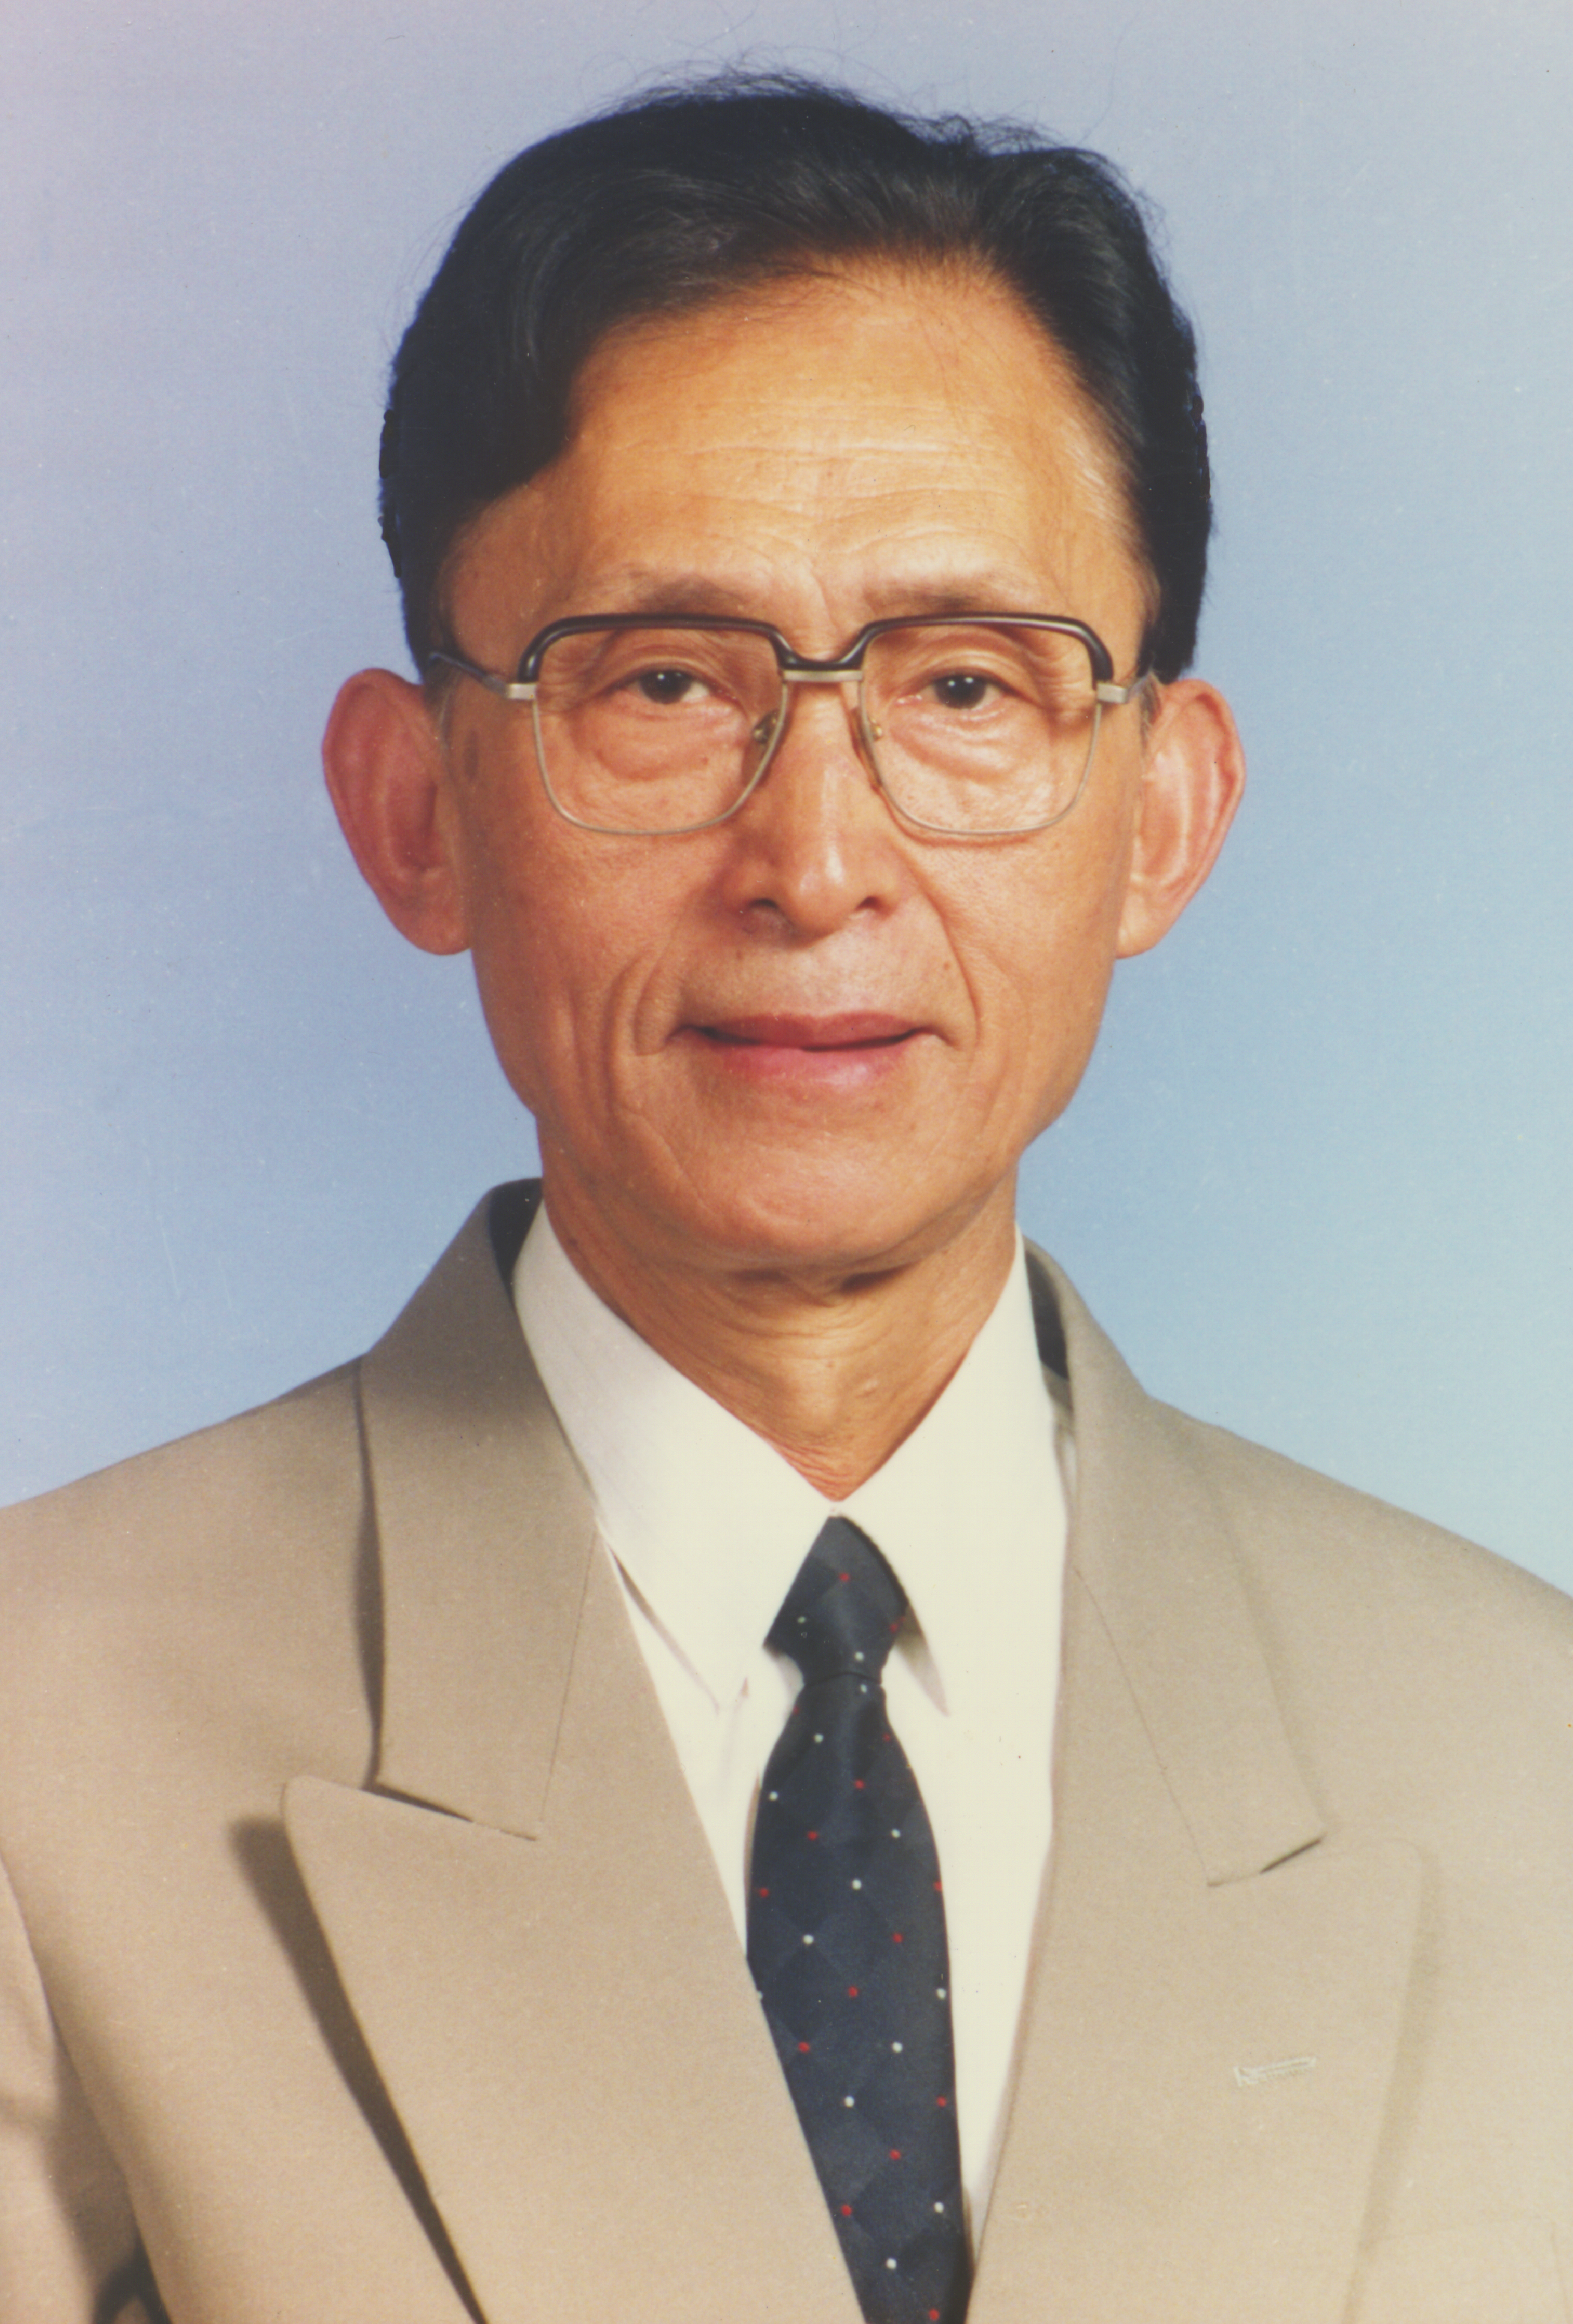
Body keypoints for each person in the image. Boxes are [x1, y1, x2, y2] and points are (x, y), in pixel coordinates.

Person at [2, 73, 1570, 2324]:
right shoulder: (41, 1742)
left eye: (965, 683)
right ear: (415, 804)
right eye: (663, 679)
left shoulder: (1527, 1753)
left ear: (1163, 810)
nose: (815, 861)